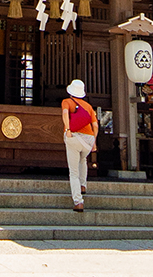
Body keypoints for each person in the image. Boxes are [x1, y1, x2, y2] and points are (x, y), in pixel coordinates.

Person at [61, 78, 98, 212]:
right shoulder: (88, 107)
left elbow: (65, 114)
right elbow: (95, 125)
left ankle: (78, 201)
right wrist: (94, 142)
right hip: (88, 141)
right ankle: (83, 185)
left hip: (75, 138)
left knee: (73, 172)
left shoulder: (67, 102)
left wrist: (68, 129)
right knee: (83, 160)